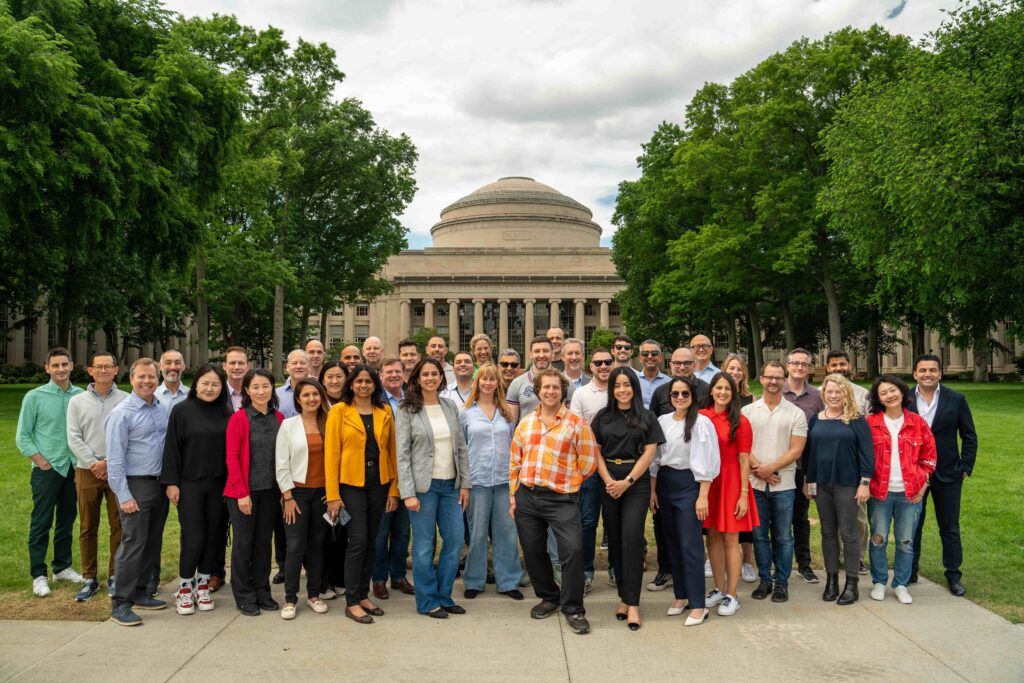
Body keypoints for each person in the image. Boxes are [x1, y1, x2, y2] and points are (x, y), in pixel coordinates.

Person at [511, 368, 598, 635]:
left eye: (555, 387)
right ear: (538, 390)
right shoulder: (526, 423)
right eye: (546, 387)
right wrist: (514, 497)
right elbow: (515, 461)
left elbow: (588, 462)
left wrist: (568, 482)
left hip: (562, 498)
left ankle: (573, 608)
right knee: (533, 551)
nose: (550, 391)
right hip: (528, 496)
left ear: (563, 392)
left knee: (572, 550)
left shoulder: (576, 424)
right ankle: (549, 596)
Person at [395, 358, 471, 619]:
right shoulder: (406, 410)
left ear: (441, 377)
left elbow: (461, 447)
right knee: (424, 546)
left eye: (435, 374)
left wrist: (465, 484)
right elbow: (402, 455)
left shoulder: (449, 406)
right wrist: (408, 493)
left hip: (451, 486)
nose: (430, 378)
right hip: (422, 489)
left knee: (455, 541)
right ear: (417, 379)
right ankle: (427, 601)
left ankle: (444, 596)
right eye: (425, 374)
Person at [325, 364, 401, 624]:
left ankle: (363, 595)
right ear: (351, 384)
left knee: (372, 541)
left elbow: (391, 452)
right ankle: (352, 602)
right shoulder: (339, 411)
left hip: (379, 484)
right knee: (357, 541)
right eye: (358, 381)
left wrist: (394, 489)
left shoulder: (384, 411)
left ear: (374, 385)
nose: (363, 385)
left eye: (368, 381)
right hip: (350, 485)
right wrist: (333, 495)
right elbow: (331, 455)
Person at [592, 368, 665, 630]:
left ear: (634, 387)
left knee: (632, 539)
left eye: (627, 385)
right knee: (615, 540)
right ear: (611, 389)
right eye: (617, 386)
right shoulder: (602, 417)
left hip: (636, 483)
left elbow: (649, 453)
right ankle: (624, 597)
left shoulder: (646, 416)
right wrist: (609, 481)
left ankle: (633, 604)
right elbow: (596, 452)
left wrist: (627, 482)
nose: (622, 390)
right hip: (609, 481)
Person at [161, 364, 233, 615]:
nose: (210, 388)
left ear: (222, 387)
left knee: (214, 536)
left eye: (215, 384)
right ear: (196, 385)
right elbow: (172, 448)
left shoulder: (227, 412)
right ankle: (184, 588)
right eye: (205, 383)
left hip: (220, 485)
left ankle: (203, 585)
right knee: (194, 536)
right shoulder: (182, 411)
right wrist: (171, 483)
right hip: (190, 484)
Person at [104, 358, 170, 625]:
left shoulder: (161, 408)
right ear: (131, 379)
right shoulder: (122, 414)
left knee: (152, 542)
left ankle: (141, 591)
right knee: (133, 543)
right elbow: (114, 460)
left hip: (159, 484)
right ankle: (121, 602)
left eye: (151, 377)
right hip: (135, 485)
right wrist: (124, 495)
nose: (147, 381)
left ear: (158, 379)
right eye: (141, 377)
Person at [17, 347, 86, 598]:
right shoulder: (34, 397)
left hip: (74, 468)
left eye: (64, 364)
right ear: (47, 368)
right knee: (41, 523)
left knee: (67, 520)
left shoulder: (81, 396)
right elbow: (23, 436)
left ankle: (62, 567)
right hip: (46, 469)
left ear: (71, 366)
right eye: (55, 365)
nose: (61, 369)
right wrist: (41, 461)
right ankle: (39, 574)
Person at [651, 377, 720, 626]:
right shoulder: (662, 421)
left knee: (690, 544)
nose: (679, 398)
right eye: (675, 394)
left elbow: (708, 460)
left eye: (684, 394)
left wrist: (702, 496)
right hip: (665, 483)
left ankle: (698, 604)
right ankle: (681, 595)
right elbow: (655, 458)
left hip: (689, 484)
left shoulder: (702, 423)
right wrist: (653, 490)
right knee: (672, 542)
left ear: (693, 396)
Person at [909, 354, 977, 597]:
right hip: (914, 472)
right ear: (915, 374)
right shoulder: (904, 398)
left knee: (949, 526)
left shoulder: (956, 399)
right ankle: (910, 570)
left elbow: (969, 435)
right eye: (923, 370)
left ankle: (954, 575)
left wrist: (965, 466)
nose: (927, 374)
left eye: (932, 370)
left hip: (948, 473)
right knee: (913, 524)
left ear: (940, 373)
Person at [866, 375, 937, 605]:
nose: (889, 395)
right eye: (883, 393)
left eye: (893, 390)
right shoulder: (871, 423)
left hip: (910, 494)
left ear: (902, 391)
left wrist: (923, 484)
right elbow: (863, 458)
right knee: (878, 539)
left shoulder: (917, 423)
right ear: (878, 399)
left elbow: (929, 458)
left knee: (906, 541)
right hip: (880, 493)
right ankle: (879, 582)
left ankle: (901, 584)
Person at [804, 374, 873, 606]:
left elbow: (867, 454)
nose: (833, 396)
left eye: (838, 391)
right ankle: (831, 580)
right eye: (829, 391)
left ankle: (852, 584)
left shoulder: (856, 420)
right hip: (821, 484)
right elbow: (810, 454)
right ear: (823, 394)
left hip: (847, 484)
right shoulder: (816, 419)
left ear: (846, 394)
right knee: (827, 532)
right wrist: (807, 481)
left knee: (849, 533)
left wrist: (864, 483)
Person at [741, 361, 807, 604]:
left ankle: (781, 582)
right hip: (755, 484)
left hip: (784, 485)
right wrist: (761, 470)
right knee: (759, 536)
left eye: (778, 377)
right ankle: (765, 580)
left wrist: (770, 469)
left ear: (784, 380)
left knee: (783, 536)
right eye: (769, 377)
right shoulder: (748, 412)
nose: (773, 381)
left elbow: (796, 450)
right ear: (761, 378)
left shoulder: (795, 413)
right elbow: (742, 447)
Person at [66, 351, 128, 601]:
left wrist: (110, 464)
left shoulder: (126, 400)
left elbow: (128, 436)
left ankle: (116, 575)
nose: (103, 370)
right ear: (90, 371)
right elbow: (73, 437)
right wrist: (94, 464)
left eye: (108, 366)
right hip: (87, 471)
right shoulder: (77, 402)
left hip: (117, 470)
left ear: (116, 370)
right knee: (87, 526)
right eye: (98, 367)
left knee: (119, 525)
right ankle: (89, 577)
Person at [460, 363, 523, 599]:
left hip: (504, 482)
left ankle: (508, 581)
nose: (488, 383)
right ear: (477, 382)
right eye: (484, 379)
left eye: (492, 379)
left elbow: (514, 445)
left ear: (498, 383)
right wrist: (464, 483)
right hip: (477, 481)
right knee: (477, 533)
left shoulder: (506, 413)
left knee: (506, 532)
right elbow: (461, 449)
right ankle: (474, 581)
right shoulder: (466, 412)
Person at [224, 368, 284, 616]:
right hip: (243, 493)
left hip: (270, 492)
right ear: (247, 391)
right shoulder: (239, 418)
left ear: (272, 388)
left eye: (265, 386)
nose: (261, 391)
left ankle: (262, 590)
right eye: (255, 387)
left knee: (263, 544)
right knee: (243, 544)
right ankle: (244, 594)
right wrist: (241, 494)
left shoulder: (279, 418)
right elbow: (232, 457)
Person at [700, 373, 759, 617]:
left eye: (727, 389)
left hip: (732, 482)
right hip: (708, 483)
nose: (723, 392)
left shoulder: (740, 421)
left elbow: (745, 460)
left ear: (733, 393)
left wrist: (743, 494)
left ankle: (732, 595)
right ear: (711, 390)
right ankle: (718, 588)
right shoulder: (701, 417)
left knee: (730, 539)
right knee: (712, 536)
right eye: (719, 387)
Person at [275, 378, 331, 620]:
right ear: (298, 399)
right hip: (296, 495)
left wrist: (334, 492)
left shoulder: (330, 422)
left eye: (315, 394)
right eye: (306, 395)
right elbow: (281, 463)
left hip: (324, 495)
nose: (311, 399)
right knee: (295, 547)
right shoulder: (288, 425)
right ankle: (290, 599)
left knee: (317, 545)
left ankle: (314, 594)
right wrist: (287, 497)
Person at [568, 347, 614, 592]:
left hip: (617, 464)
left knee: (615, 521)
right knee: (587, 521)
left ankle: (616, 568)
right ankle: (586, 571)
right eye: (598, 363)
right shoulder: (581, 393)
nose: (603, 366)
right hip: (589, 466)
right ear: (591, 366)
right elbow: (576, 428)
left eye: (607, 362)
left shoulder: (621, 389)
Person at [372, 357, 415, 600]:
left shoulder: (412, 398)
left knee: (402, 530)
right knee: (381, 532)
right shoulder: (375, 400)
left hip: (408, 474)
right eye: (388, 372)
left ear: (403, 373)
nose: (394, 375)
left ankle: (398, 576)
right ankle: (379, 579)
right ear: (381, 375)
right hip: (383, 475)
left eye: (397, 371)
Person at [825, 349, 870, 576]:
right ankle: (835, 557)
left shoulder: (863, 395)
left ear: (849, 365)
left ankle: (857, 557)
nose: (839, 368)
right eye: (834, 365)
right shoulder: (822, 393)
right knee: (830, 520)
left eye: (842, 364)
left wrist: (865, 477)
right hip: (828, 469)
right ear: (827, 368)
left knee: (858, 518)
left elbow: (867, 433)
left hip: (853, 470)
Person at [783, 347, 824, 584]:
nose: (799, 367)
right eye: (795, 363)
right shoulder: (778, 390)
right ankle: (779, 566)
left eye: (804, 364)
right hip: (780, 466)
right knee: (778, 520)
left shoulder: (817, 397)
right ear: (787, 366)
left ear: (809, 368)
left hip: (805, 467)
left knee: (800, 518)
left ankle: (804, 565)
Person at [722, 353, 757, 583]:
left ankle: (747, 561)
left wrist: (756, 463)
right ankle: (714, 558)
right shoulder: (717, 397)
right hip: (725, 467)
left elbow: (749, 438)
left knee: (742, 518)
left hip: (746, 465)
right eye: (731, 368)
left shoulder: (751, 400)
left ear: (744, 373)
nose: (735, 372)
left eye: (739, 369)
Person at [506, 335, 572, 425]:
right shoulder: (517, 383)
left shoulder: (566, 382)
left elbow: (571, 419)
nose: (541, 355)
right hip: (527, 432)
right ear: (530, 354)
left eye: (545, 351)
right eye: (537, 351)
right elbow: (511, 423)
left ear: (552, 353)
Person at [649, 347, 711, 415]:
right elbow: (652, 419)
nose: (682, 367)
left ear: (694, 365)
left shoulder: (707, 390)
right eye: (677, 363)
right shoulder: (660, 392)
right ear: (671, 366)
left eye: (687, 363)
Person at [636, 340, 670, 408]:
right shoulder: (633, 380)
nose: (650, 356)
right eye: (645, 353)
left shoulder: (669, 382)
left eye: (654, 353)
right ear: (640, 358)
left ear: (660, 357)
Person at [275, 349, 309, 419]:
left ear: (309, 366)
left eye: (302, 363)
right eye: (294, 363)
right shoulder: (276, 394)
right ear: (287, 367)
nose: (298, 366)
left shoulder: (318, 392)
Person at [223, 347, 250, 412]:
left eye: (241, 363)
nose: (237, 367)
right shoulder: (218, 393)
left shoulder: (255, 393)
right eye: (232, 363)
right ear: (224, 366)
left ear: (247, 366)